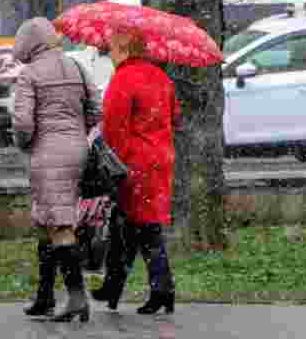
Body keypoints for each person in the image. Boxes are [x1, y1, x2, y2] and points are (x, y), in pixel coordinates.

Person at [12, 17, 101, 322]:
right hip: (78, 149)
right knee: (44, 221)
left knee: (60, 226)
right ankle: (44, 296)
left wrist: (25, 142)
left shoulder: (30, 74)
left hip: (47, 153)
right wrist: (78, 130)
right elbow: (96, 109)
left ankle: (77, 299)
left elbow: (23, 124)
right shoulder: (76, 66)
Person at [90, 30, 180, 316]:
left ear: (126, 49)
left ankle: (161, 289)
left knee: (143, 228)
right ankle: (113, 287)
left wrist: (111, 162)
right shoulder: (161, 77)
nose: (110, 51)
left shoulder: (123, 79)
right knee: (129, 224)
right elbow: (175, 117)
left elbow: (113, 127)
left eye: (114, 47)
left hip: (133, 164)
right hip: (160, 159)